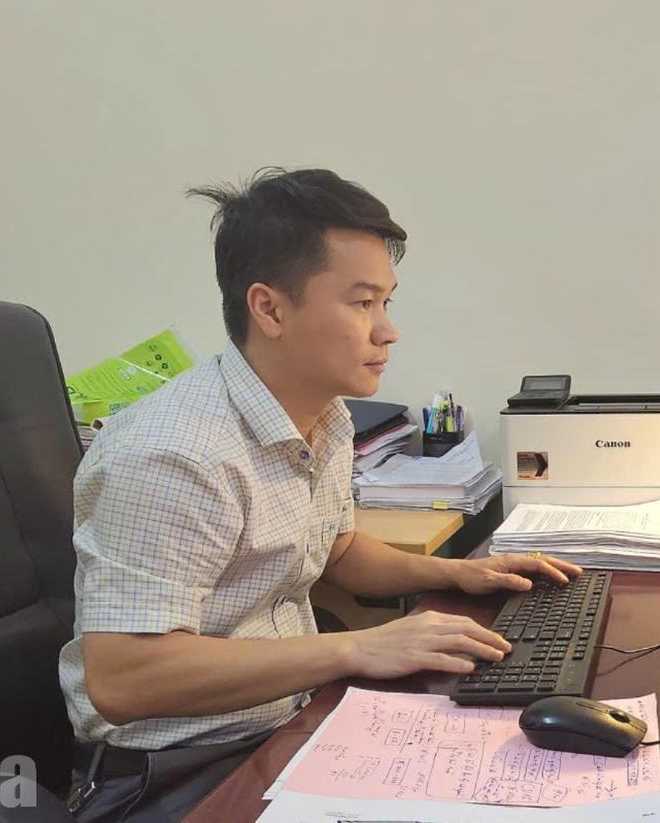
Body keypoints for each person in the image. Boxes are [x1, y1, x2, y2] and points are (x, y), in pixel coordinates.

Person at [58, 167, 579, 821]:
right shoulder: (173, 453)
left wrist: (459, 574)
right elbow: (123, 678)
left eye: (386, 303)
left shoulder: (323, 415)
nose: (386, 331)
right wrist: (356, 647)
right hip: (173, 773)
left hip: (281, 726)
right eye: (362, 304)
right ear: (270, 309)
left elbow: (338, 550)